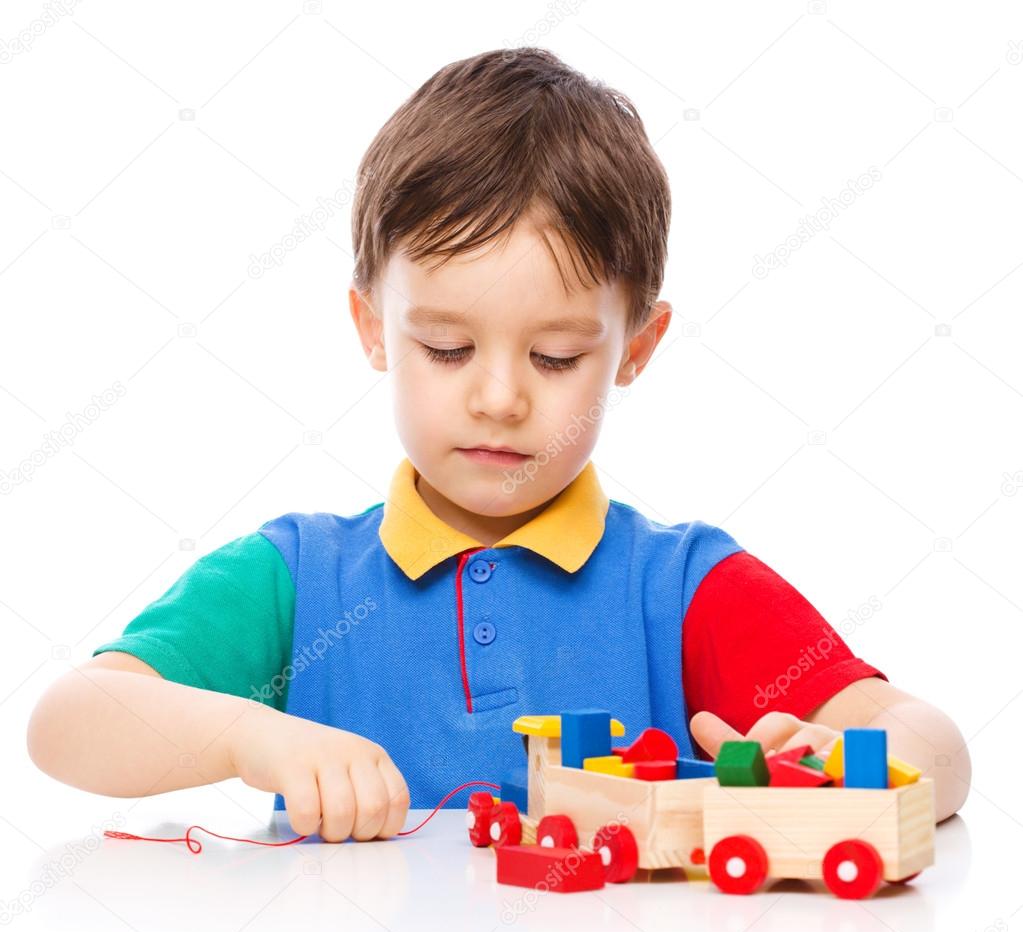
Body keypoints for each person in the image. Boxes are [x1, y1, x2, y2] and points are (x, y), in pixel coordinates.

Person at [27, 48, 971, 844]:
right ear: (371, 330)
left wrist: (837, 767)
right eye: (445, 348)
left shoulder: (683, 589)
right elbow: (66, 725)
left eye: (557, 356)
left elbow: (933, 749)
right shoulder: (296, 577)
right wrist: (248, 739)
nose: (499, 398)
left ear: (635, 349)